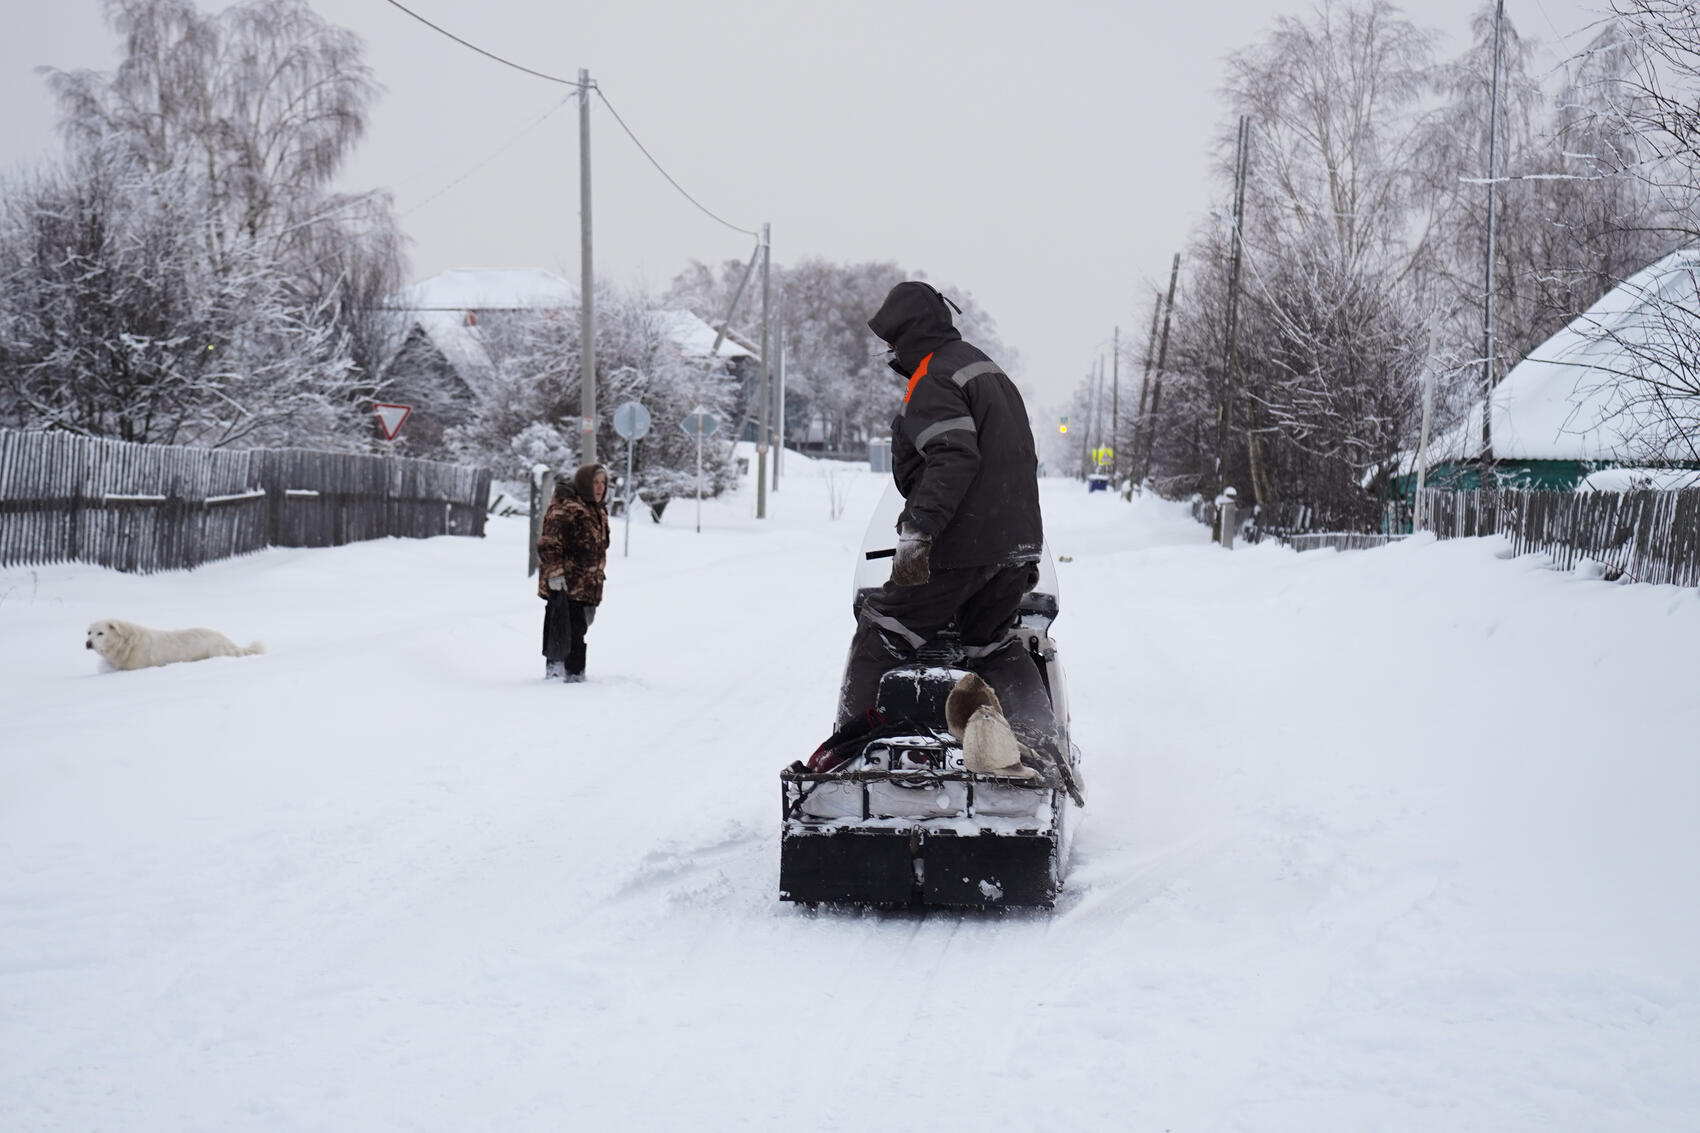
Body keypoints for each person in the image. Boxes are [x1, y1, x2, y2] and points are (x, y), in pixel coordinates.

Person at [835, 281, 1059, 763]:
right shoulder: (984, 368)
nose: (890, 350)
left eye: (891, 340)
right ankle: (1043, 751)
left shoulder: (935, 376)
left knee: (882, 632)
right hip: (1014, 541)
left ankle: (846, 759)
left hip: (965, 540)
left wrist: (917, 535)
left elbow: (953, 458)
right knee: (991, 644)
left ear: (908, 334)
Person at [536, 463, 610, 682]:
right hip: (566, 584)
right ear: (584, 483)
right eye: (595, 482)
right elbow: (550, 543)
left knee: (576, 630)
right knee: (566, 632)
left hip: (587, 585)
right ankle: (568, 678)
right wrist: (556, 575)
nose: (599, 487)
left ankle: (568, 675)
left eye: (603, 483)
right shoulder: (567, 507)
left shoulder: (598, 510)